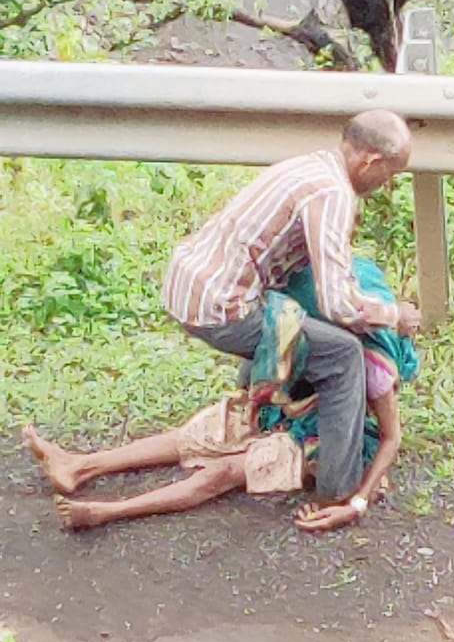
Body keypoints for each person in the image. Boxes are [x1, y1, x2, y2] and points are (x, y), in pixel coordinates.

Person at [22, 258, 419, 535]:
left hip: (320, 438)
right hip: (281, 410)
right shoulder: (299, 320)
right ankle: (80, 467)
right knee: (195, 435)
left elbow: (391, 437)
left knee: (224, 472)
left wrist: (358, 501)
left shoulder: (370, 362)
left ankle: (105, 512)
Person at [161, 109, 419, 512]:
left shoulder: (309, 165)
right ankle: (337, 488)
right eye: (388, 176)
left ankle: (257, 403)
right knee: (342, 356)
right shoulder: (333, 194)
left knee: (295, 323)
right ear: (371, 161)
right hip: (221, 308)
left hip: (187, 284)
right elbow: (339, 304)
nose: (385, 186)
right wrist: (393, 315)